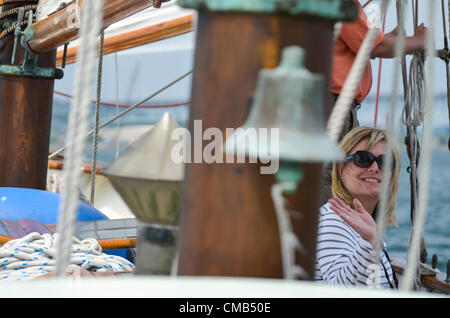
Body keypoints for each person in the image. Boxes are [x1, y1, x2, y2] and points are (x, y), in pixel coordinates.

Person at [322, 0, 426, 205]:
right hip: (333, 106)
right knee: (332, 174)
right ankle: (328, 231)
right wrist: (418, 42)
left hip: (333, 105)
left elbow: (361, 42)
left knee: (339, 172)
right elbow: (373, 46)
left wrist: (388, 39)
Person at [315, 126, 401, 289]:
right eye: (363, 159)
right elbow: (339, 291)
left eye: (385, 162)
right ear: (340, 169)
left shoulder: (363, 227)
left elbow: (372, 286)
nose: (375, 167)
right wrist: (370, 243)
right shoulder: (334, 221)